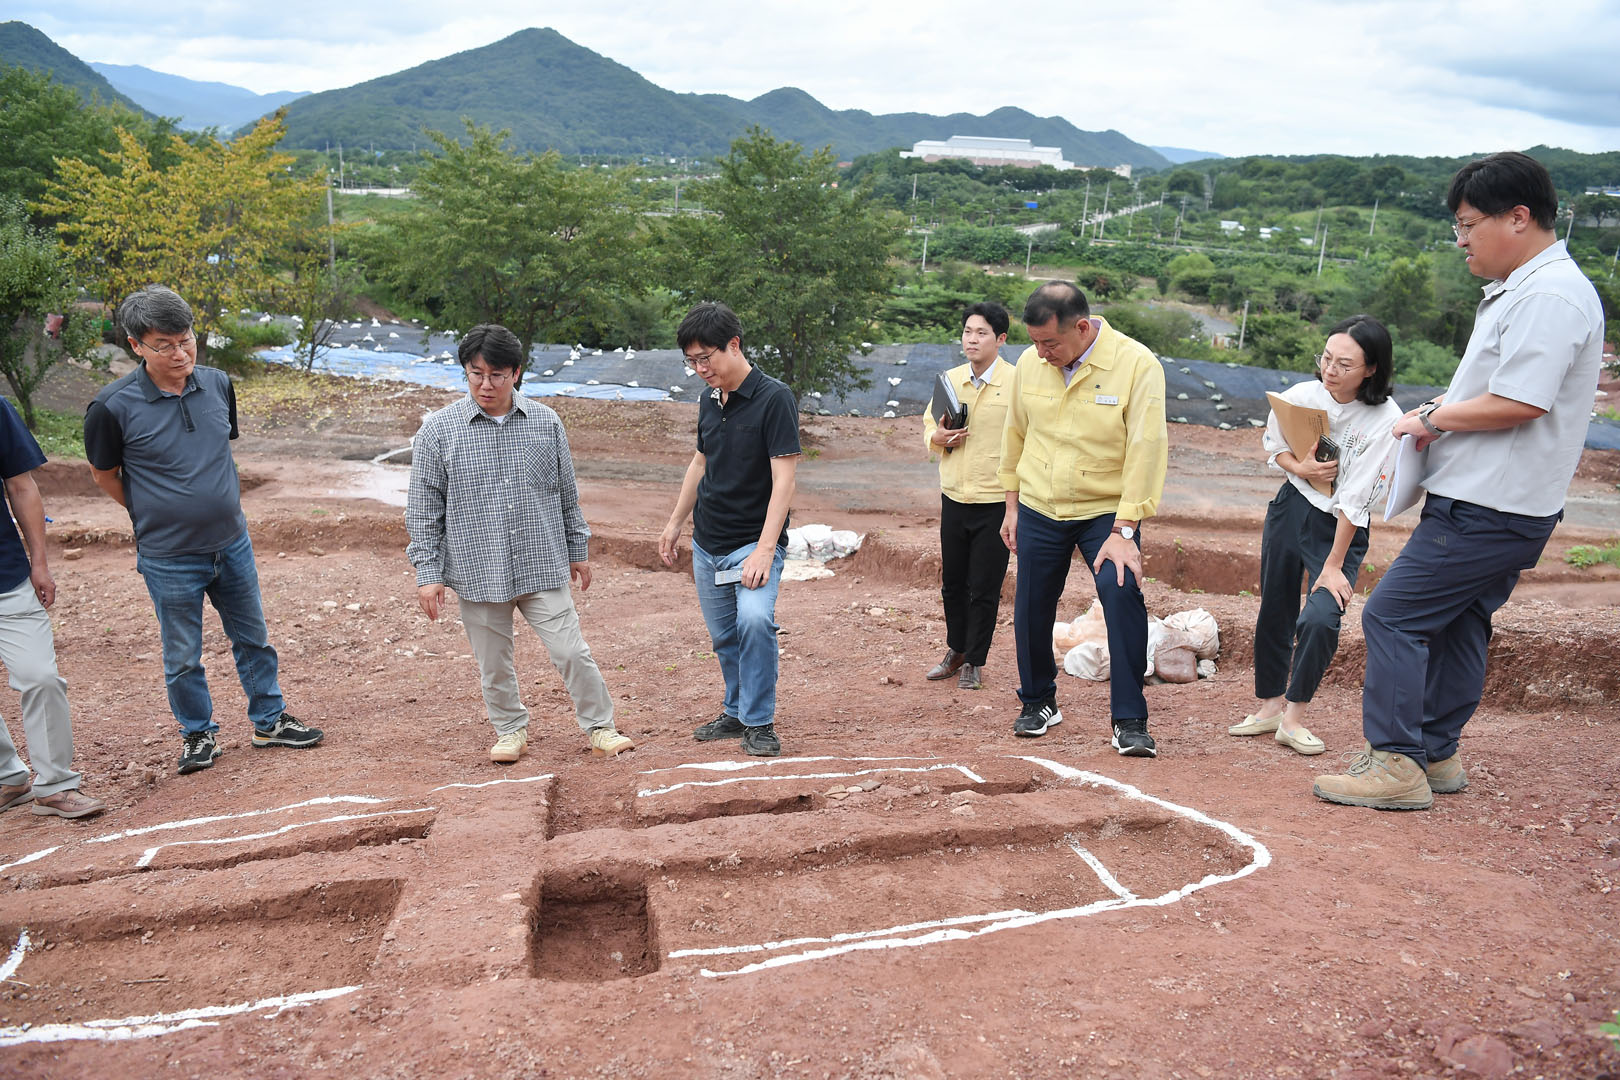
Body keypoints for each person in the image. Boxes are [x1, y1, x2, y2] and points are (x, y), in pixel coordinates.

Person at [1315, 152, 1605, 810]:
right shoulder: (1532, 288)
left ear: (1519, 217)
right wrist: (1441, 412)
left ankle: (1396, 762)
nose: (1462, 240)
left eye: (1469, 225)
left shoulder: (1549, 296)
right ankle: (1435, 753)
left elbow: (1521, 401)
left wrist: (1429, 419)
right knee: (1458, 624)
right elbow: (1499, 389)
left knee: (1392, 618)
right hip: (1503, 501)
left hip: (1489, 503)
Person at [84, 285, 322, 776]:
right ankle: (198, 734)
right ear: (136, 345)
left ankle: (269, 721)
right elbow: (104, 476)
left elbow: (218, 449)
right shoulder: (111, 407)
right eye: (165, 345)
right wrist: (154, 511)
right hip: (169, 556)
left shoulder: (217, 384)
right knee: (183, 656)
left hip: (232, 542)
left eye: (186, 340)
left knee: (254, 638)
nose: (180, 354)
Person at [406, 324, 631, 762]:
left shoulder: (546, 422)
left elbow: (566, 493)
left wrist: (577, 550)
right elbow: (423, 510)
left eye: (496, 375)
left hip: (541, 562)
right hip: (477, 568)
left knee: (571, 651)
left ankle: (601, 727)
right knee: (493, 664)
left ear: (516, 373)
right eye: (476, 374)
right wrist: (428, 574)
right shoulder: (438, 431)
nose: (485, 385)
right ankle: (510, 730)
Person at [999, 281, 1167, 755]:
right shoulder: (1030, 365)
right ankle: (1038, 701)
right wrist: (1011, 506)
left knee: (1121, 593)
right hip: (1040, 504)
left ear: (1082, 327)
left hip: (1106, 511)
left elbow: (1147, 449)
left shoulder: (1136, 365)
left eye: (1050, 343)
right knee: (1031, 605)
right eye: (1034, 342)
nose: (1041, 352)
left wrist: (1125, 529)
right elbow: (1014, 435)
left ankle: (1129, 721)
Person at [1230, 315, 1400, 756]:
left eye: (1345, 364)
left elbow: (1356, 499)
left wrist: (1332, 564)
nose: (1330, 370)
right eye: (1326, 358)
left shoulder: (1385, 420)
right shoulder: (1301, 397)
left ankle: (1294, 717)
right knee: (1276, 606)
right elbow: (1275, 446)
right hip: (1291, 507)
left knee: (1321, 617)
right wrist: (1301, 467)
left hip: (1340, 527)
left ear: (1371, 369)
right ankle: (1269, 707)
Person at [659, 302, 801, 758]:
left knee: (754, 621)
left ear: (734, 345)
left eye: (706, 358)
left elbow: (784, 480)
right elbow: (701, 462)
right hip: (708, 542)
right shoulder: (708, 398)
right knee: (724, 636)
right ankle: (736, 711)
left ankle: (758, 723)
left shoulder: (774, 398)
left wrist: (764, 550)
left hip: (751, 544)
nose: (700, 369)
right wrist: (676, 522)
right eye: (692, 361)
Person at [0, 397, 105, 819]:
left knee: (40, 677)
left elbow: (21, 486)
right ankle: (8, 779)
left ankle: (56, 785)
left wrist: (39, 563)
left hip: (6, 577)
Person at [922, 302, 1013, 690]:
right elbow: (929, 426)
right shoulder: (951, 379)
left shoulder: (1016, 382)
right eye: (967, 332)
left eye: (981, 333)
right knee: (953, 583)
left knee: (985, 586)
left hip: (995, 500)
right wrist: (937, 437)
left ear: (1000, 339)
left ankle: (975, 659)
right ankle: (956, 649)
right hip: (954, 496)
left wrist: (1017, 503)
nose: (972, 340)